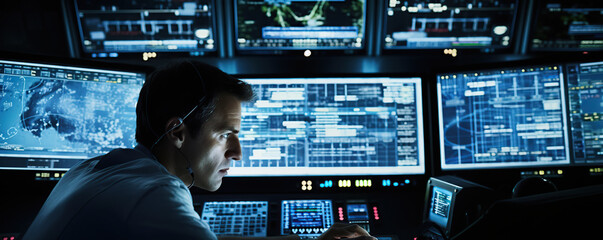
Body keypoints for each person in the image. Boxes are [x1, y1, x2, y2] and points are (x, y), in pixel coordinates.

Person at [22, 61, 375, 240]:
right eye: (225, 135)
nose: (237, 152)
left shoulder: (99, 168)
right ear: (177, 132)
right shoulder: (155, 196)